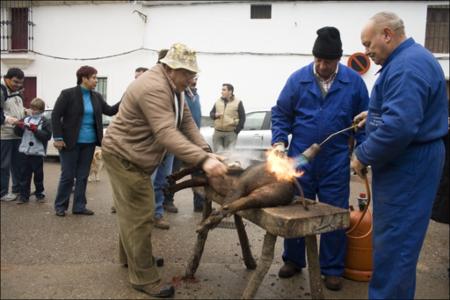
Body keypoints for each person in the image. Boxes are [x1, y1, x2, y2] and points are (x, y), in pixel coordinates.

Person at [102, 43, 227, 298]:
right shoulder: (153, 87)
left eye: (194, 73)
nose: (192, 78)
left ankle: (133, 260)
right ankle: (144, 277)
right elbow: (166, 133)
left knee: (132, 213)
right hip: (125, 157)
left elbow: (186, 123)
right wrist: (203, 161)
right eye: (188, 73)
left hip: (133, 156)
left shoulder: (174, 86)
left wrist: (205, 150)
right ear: (170, 68)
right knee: (140, 215)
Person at [351, 12, 448, 299]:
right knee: (394, 244)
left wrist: (363, 154)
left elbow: (400, 127)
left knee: (396, 247)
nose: (367, 51)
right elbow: (404, 112)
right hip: (408, 160)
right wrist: (375, 114)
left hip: (409, 164)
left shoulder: (407, 66)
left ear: (387, 35)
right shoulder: (408, 60)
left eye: (369, 43)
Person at [271, 26, 369, 291]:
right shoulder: (298, 79)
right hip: (300, 158)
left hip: (335, 160)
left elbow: (364, 121)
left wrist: (361, 153)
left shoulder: (354, 83)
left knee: (334, 214)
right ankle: (293, 259)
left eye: (327, 61)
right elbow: (281, 113)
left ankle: (332, 269)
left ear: (338, 59)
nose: (322, 65)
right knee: (295, 209)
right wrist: (280, 142)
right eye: (318, 60)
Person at [52, 65, 120, 217]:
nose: (96, 80)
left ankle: (79, 206)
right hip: (69, 142)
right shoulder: (67, 94)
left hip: (89, 143)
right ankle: (60, 206)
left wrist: (127, 97)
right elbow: (55, 116)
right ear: (84, 78)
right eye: (94, 77)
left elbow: (110, 110)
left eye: (96, 77)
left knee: (83, 175)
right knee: (68, 175)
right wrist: (58, 137)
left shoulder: (96, 96)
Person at [164, 75, 205, 213]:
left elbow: (195, 119)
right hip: (179, 139)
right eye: (192, 77)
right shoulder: (180, 94)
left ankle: (199, 203)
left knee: (198, 171)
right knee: (174, 172)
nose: (194, 79)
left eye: (196, 78)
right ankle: (168, 200)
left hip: (194, 140)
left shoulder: (195, 95)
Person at [14, 98, 52, 204]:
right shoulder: (26, 118)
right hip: (24, 152)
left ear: (41, 110)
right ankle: (23, 196)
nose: (33, 111)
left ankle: (39, 193)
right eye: (32, 108)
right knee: (24, 175)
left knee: (38, 175)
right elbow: (18, 133)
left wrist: (35, 130)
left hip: (37, 153)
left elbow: (47, 136)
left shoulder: (45, 121)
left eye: (36, 109)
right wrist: (18, 126)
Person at [1, 67, 26, 202]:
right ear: (7, 78)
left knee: (18, 164)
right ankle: (3, 193)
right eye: (15, 82)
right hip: (4, 135)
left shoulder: (16, 92)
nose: (18, 85)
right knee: (3, 165)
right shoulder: (2, 90)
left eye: (20, 82)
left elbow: (18, 110)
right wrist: (9, 119)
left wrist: (27, 112)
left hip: (17, 133)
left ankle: (17, 189)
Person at [209, 83, 245, 152]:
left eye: (224, 90)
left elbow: (242, 118)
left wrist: (236, 131)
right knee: (218, 154)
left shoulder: (238, 102)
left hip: (230, 133)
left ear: (230, 91)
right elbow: (211, 114)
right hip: (217, 133)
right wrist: (214, 115)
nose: (221, 92)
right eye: (222, 90)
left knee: (229, 155)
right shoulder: (217, 101)